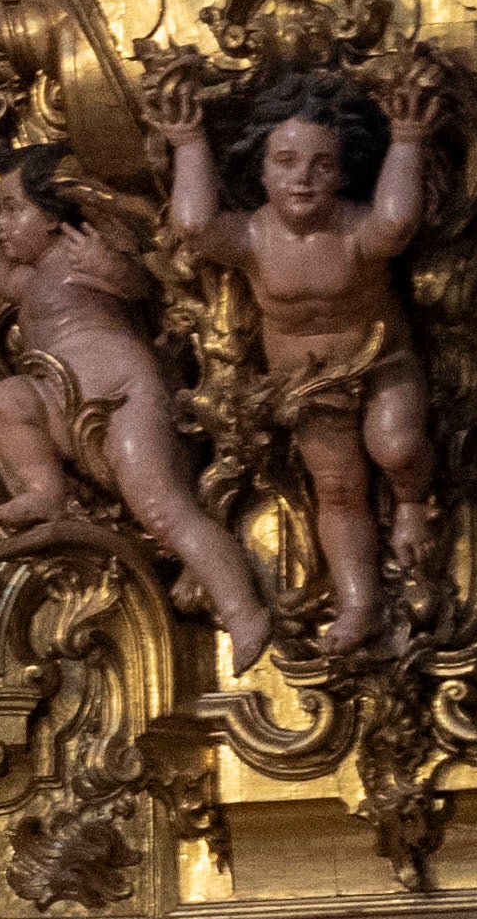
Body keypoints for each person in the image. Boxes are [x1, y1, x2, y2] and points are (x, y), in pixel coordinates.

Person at [0, 155, 288, 662]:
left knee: (162, 508)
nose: (1, 224)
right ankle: (45, 488)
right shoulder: (33, 278)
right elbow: (1, 277)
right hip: (60, 398)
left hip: (124, 391)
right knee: (1, 400)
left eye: (11, 209)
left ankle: (244, 612)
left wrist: (108, 266)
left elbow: (145, 283)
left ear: (51, 214)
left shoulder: (81, 251)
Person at [176, 67, 438, 657]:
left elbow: (395, 223)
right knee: (337, 488)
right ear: (261, 171)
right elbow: (193, 225)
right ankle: (360, 603)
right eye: (286, 162)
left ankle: (411, 506)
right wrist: (189, 143)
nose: (303, 178)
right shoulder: (250, 238)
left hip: (380, 359)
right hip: (304, 383)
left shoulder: (351, 232)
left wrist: (407, 138)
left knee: (396, 445)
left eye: (321, 165)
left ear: (343, 173)